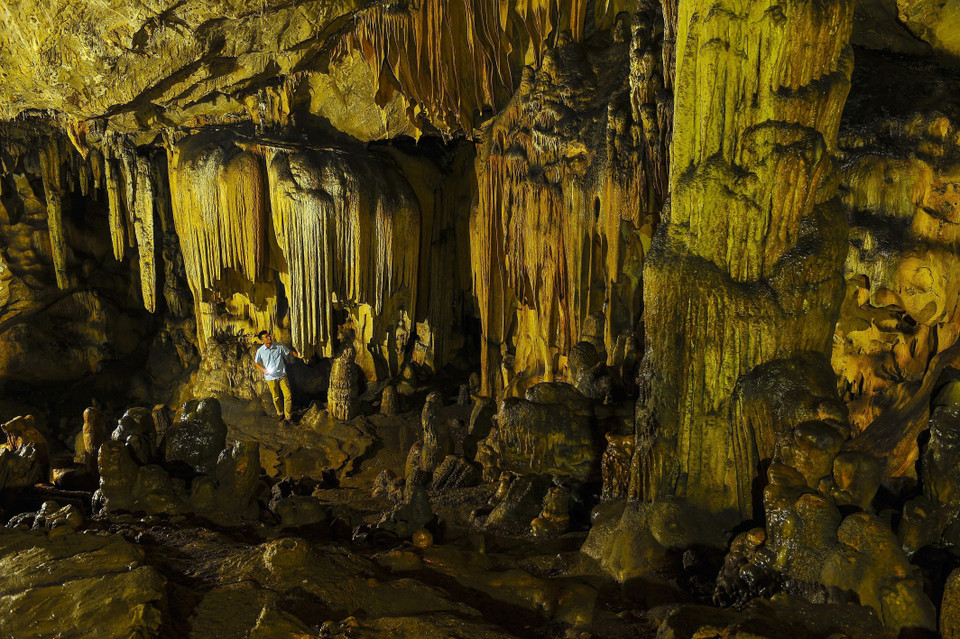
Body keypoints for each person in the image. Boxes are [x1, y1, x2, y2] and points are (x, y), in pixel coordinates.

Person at [254, 330, 302, 424]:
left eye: (269, 336)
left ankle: (288, 416)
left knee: (287, 395)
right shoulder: (260, 351)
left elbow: (290, 352)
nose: (269, 338)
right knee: (276, 397)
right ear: (262, 340)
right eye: (266, 337)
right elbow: (256, 362)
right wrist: (263, 370)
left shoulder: (279, 345)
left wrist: (301, 356)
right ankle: (280, 412)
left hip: (282, 375)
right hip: (271, 378)